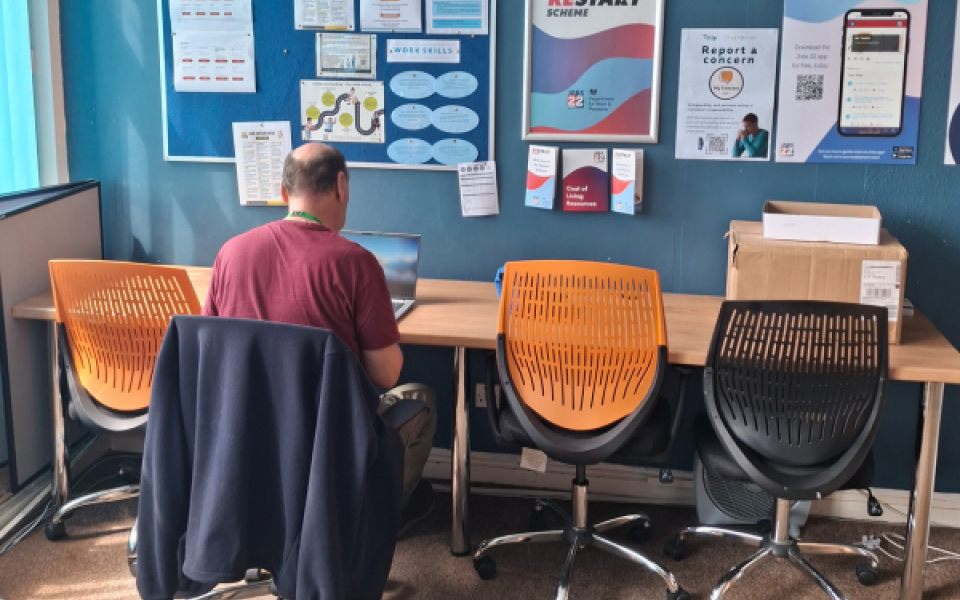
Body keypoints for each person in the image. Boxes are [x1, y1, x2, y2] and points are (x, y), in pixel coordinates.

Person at [203, 143, 437, 536]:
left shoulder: (231, 253)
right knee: (421, 399)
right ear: (341, 186)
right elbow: (385, 375)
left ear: (283, 192)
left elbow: (211, 352)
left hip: (247, 431)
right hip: (329, 436)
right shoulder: (356, 263)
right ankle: (373, 516)